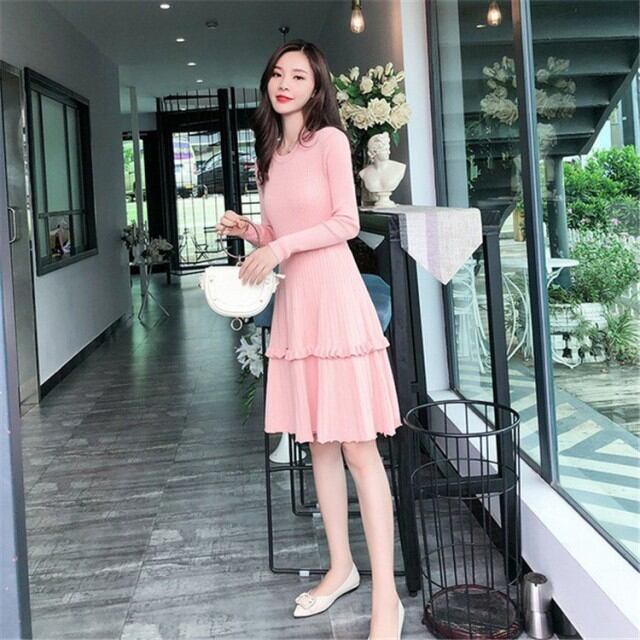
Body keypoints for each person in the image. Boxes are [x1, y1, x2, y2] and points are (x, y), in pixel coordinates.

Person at [215, 39, 404, 640]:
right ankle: (341, 568)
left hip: (336, 300)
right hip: (297, 304)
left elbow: (345, 223)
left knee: (358, 448)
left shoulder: (330, 142)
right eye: (277, 73)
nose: (284, 83)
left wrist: (277, 246)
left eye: (298, 76)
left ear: (317, 86)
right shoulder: (268, 151)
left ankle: (387, 598)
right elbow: (279, 229)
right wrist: (251, 231)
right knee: (318, 444)